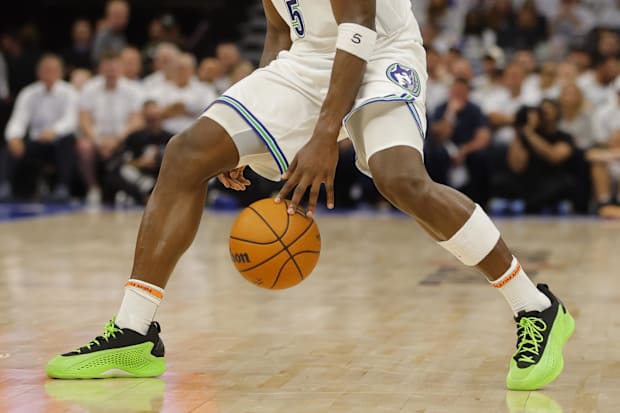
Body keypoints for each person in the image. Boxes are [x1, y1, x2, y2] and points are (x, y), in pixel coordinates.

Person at [46, 0, 575, 392]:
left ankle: (535, 307)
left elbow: (359, 27)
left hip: (378, 50)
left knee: (399, 178)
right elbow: (280, 29)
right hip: (307, 60)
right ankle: (134, 332)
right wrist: (248, 141)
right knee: (188, 153)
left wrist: (324, 137)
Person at [1, 54, 78, 202]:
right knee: (10, 144)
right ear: (38, 73)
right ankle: (4, 185)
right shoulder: (28, 93)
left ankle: (63, 187)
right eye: (45, 70)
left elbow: (71, 120)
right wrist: (14, 137)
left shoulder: (69, 92)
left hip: (58, 142)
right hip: (36, 141)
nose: (48, 74)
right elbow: (18, 120)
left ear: (61, 72)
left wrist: (54, 131)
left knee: (68, 141)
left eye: (53, 70)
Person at [77, 51, 143, 205]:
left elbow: (137, 121)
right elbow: (84, 121)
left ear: (121, 69)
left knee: (137, 141)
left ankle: (127, 189)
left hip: (123, 138)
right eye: (107, 69)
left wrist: (118, 139)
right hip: (96, 138)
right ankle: (93, 188)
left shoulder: (133, 89)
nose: (111, 72)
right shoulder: (89, 88)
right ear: (100, 70)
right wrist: (98, 141)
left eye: (114, 68)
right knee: (83, 147)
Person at [425, 78, 491, 205]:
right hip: (445, 149)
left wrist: (465, 150)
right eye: (455, 91)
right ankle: (439, 199)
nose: (458, 94)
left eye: (461, 92)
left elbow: (483, 137)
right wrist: (451, 113)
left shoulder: (475, 110)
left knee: (480, 156)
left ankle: (479, 200)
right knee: (434, 154)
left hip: (467, 149)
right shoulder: (442, 108)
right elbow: (439, 136)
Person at [106, 101, 172, 205]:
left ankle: (146, 194)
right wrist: (140, 162)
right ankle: (145, 194)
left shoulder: (170, 138)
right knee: (119, 172)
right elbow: (124, 161)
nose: (153, 122)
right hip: (140, 176)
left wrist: (160, 162)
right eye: (149, 119)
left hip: (161, 176)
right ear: (144, 118)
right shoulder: (134, 137)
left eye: (156, 118)